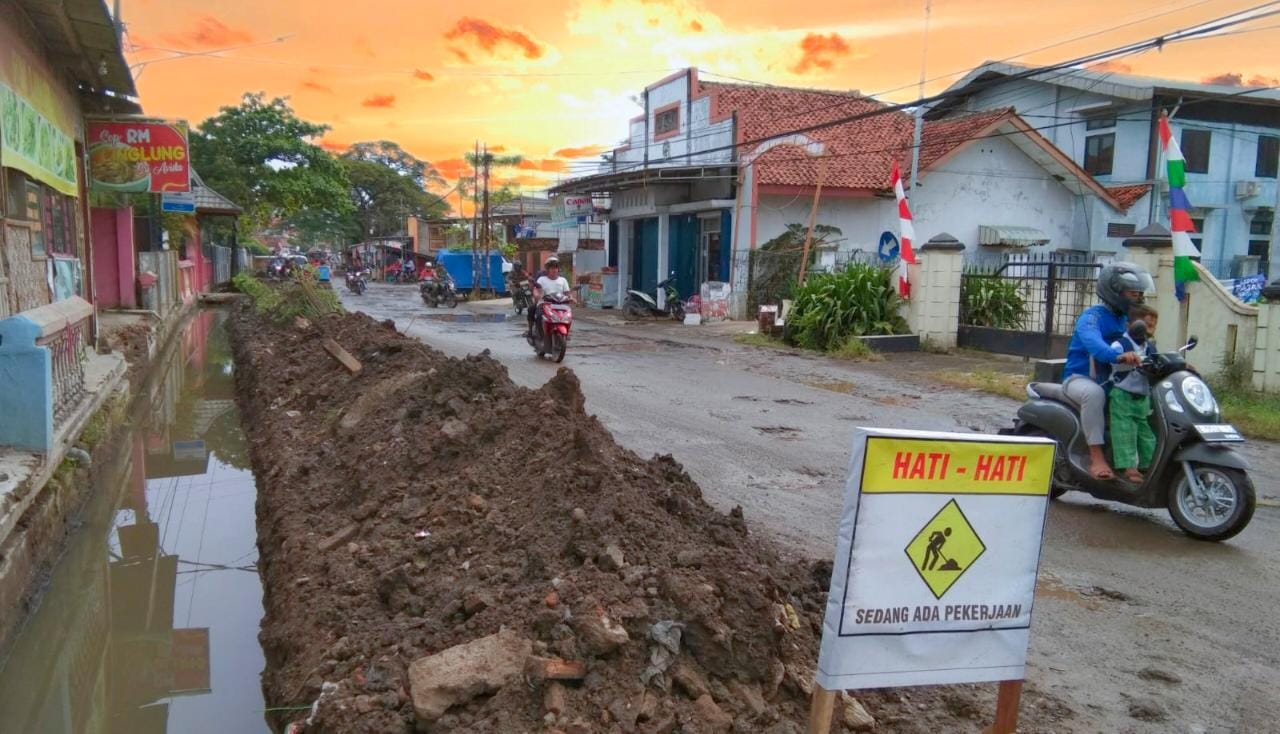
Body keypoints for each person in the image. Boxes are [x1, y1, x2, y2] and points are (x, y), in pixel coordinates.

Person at [1063, 262, 1154, 480]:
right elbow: (1094, 345)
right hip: (1082, 379)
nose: (1138, 298)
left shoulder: (1127, 319)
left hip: (1115, 380)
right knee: (1095, 394)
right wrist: (1118, 355)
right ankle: (1097, 457)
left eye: (1140, 293)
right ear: (1115, 291)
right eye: (1134, 293)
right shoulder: (1092, 317)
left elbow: (1144, 345)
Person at [1108, 309, 1159, 483]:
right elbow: (1112, 356)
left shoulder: (1150, 347)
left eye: (1152, 325)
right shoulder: (1122, 344)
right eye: (1144, 325)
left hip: (1142, 397)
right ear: (1130, 325)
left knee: (1147, 434)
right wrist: (1122, 357)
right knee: (1124, 431)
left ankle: (1149, 465)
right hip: (1123, 395)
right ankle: (1128, 469)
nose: (1148, 329)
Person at [526, 256, 571, 338]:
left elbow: (567, 293)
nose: (554, 270)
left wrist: (570, 297)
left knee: (568, 316)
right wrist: (536, 295)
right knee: (535, 312)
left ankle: (566, 333)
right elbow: (536, 289)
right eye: (552, 268)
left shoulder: (563, 280)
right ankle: (532, 332)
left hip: (560, 305)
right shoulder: (542, 279)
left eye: (556, 268)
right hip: (544, 304)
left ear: (558, 269)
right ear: (548, 269)